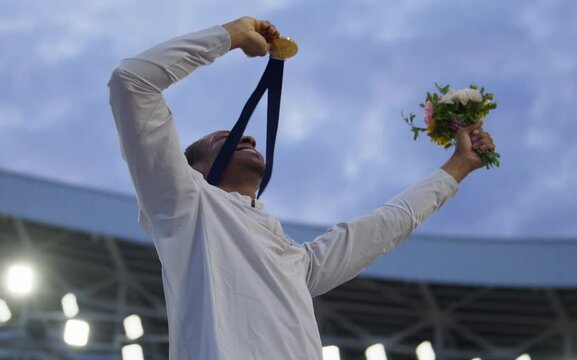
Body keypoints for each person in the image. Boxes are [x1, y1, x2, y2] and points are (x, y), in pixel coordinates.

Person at [108, 16, 495, 360]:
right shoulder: (185, 204)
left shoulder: (298, 263)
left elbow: (386, 225)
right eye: (225, 139)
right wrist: (233, 34)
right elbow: (132, 82)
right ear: (195, 170)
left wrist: (457, 167)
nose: (250, 140)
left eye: (246, 137)